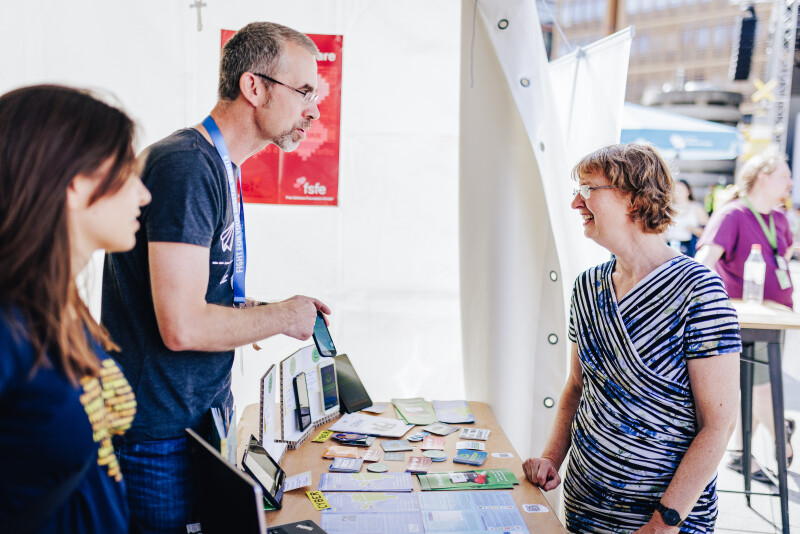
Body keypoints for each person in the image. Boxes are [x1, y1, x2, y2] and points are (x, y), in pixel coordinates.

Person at [102, 21, 329, 533]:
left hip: (196, 422)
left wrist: (251, 312)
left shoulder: (220, 167)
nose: (314, 110)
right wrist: (280, 318)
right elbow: (180, 326)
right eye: (304, 92)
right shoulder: (187, 166)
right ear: (254, 87)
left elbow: (195, 295)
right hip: (158, 435)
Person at [523, 144, 741, 533]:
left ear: (636, 199)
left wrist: (664, 523)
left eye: (589, 188)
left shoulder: (698, 291)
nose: (576, 201)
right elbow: (576, 387)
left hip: (664, 521)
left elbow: (719, 424)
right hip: (585, 508)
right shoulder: (587, 287)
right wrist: (551, 459)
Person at [0, 85, 150, 532]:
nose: (143, 194)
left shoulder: (61, 303)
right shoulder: (10, 325)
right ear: (73, 182)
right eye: (127, 173)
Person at [695, 149, 795, 483]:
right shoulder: (733, 213)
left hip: (772, 319)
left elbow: (785, 254)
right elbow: (704, 260)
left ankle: (743, 453)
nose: (790, 181)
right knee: (760, 389)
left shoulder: (779, 218)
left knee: (753, 388)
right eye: (784, 175)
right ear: (763, 177)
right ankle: (782, 439)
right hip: (739, 322)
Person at [664, 179, 708, 257]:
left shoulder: (696, 208)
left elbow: (708, 232)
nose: (678, 192)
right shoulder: (667, 209)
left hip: (690, 248)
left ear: (688, 191)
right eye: (676, 190)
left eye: (681, 189)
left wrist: (693, 230)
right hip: (670, 247)